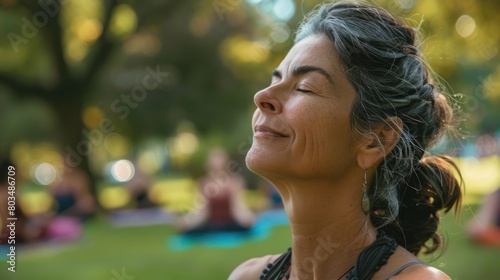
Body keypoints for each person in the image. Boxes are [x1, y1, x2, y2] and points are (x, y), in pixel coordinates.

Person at [229, 1, 462, 279]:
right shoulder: (246, 275)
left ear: (375, 140)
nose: (262, 96)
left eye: (304, 87)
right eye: (275, 79)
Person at [179, 148, 255, 235]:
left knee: (245, 227)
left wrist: (247, 219)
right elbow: (201, 211)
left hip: (231, 223)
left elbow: (239, 207)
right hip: (211, 225)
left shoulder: (235, 182)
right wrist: (187, 221)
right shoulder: (203, 183)